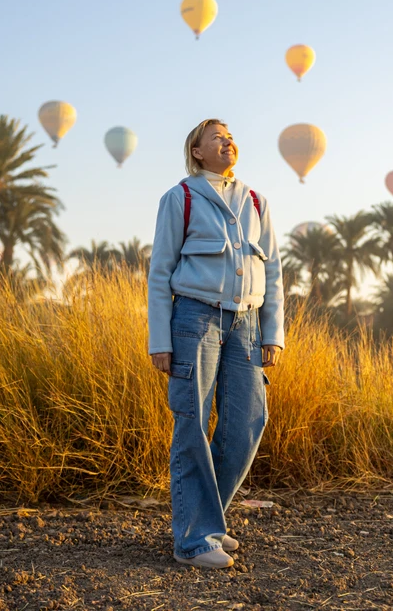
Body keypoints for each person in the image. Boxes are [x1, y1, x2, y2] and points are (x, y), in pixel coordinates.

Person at [148, 119, 284, 569]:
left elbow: (275, 274)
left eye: (231, 135)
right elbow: (159, 274)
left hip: (246, 325)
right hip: (194, 319)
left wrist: (273, 333)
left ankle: (207, 521)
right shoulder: (180, 198)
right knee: (192, 422)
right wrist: (160, 339)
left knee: (247, 421)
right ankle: (192, 540)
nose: (228, 141)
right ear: (197, 151)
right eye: (217, 137)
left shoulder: (257, 201)